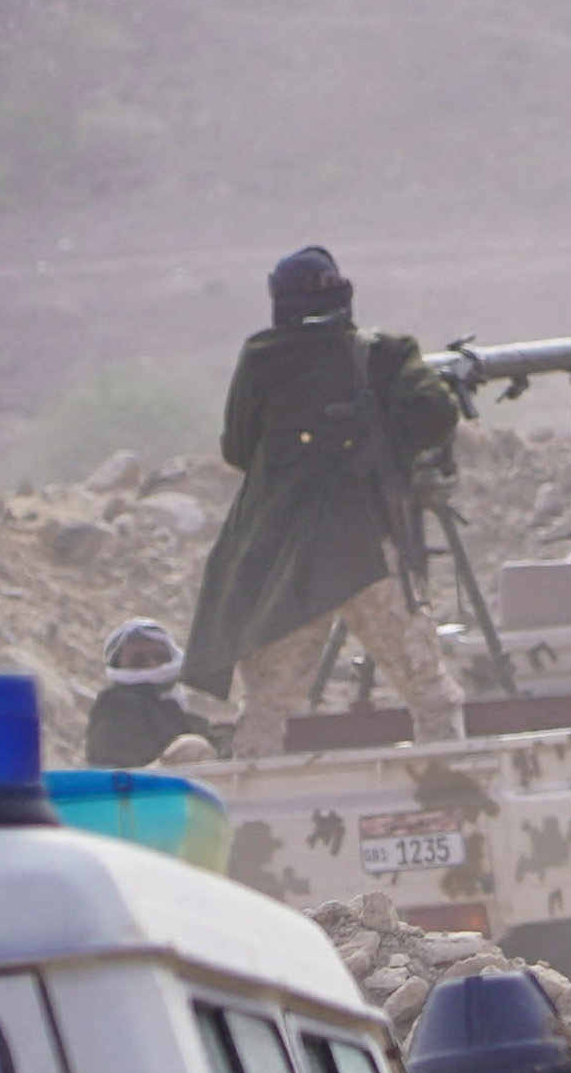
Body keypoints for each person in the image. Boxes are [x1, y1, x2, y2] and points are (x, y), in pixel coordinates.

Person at [182, 245, 469, 744]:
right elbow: (435, 413)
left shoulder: (260, 357)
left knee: (267, 707)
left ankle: (255, 813)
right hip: (366, 552)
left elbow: (237, 448)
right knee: (430, 692)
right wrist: (387, 449)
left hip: (287, 559)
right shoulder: (386, 354)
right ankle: (453, 795)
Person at [79, 618, 200, 771]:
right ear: (119, 665)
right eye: (138, 659)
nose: (152, 664)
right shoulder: (114, 704)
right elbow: (128, 765)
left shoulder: (178, 700)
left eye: (159, 656)